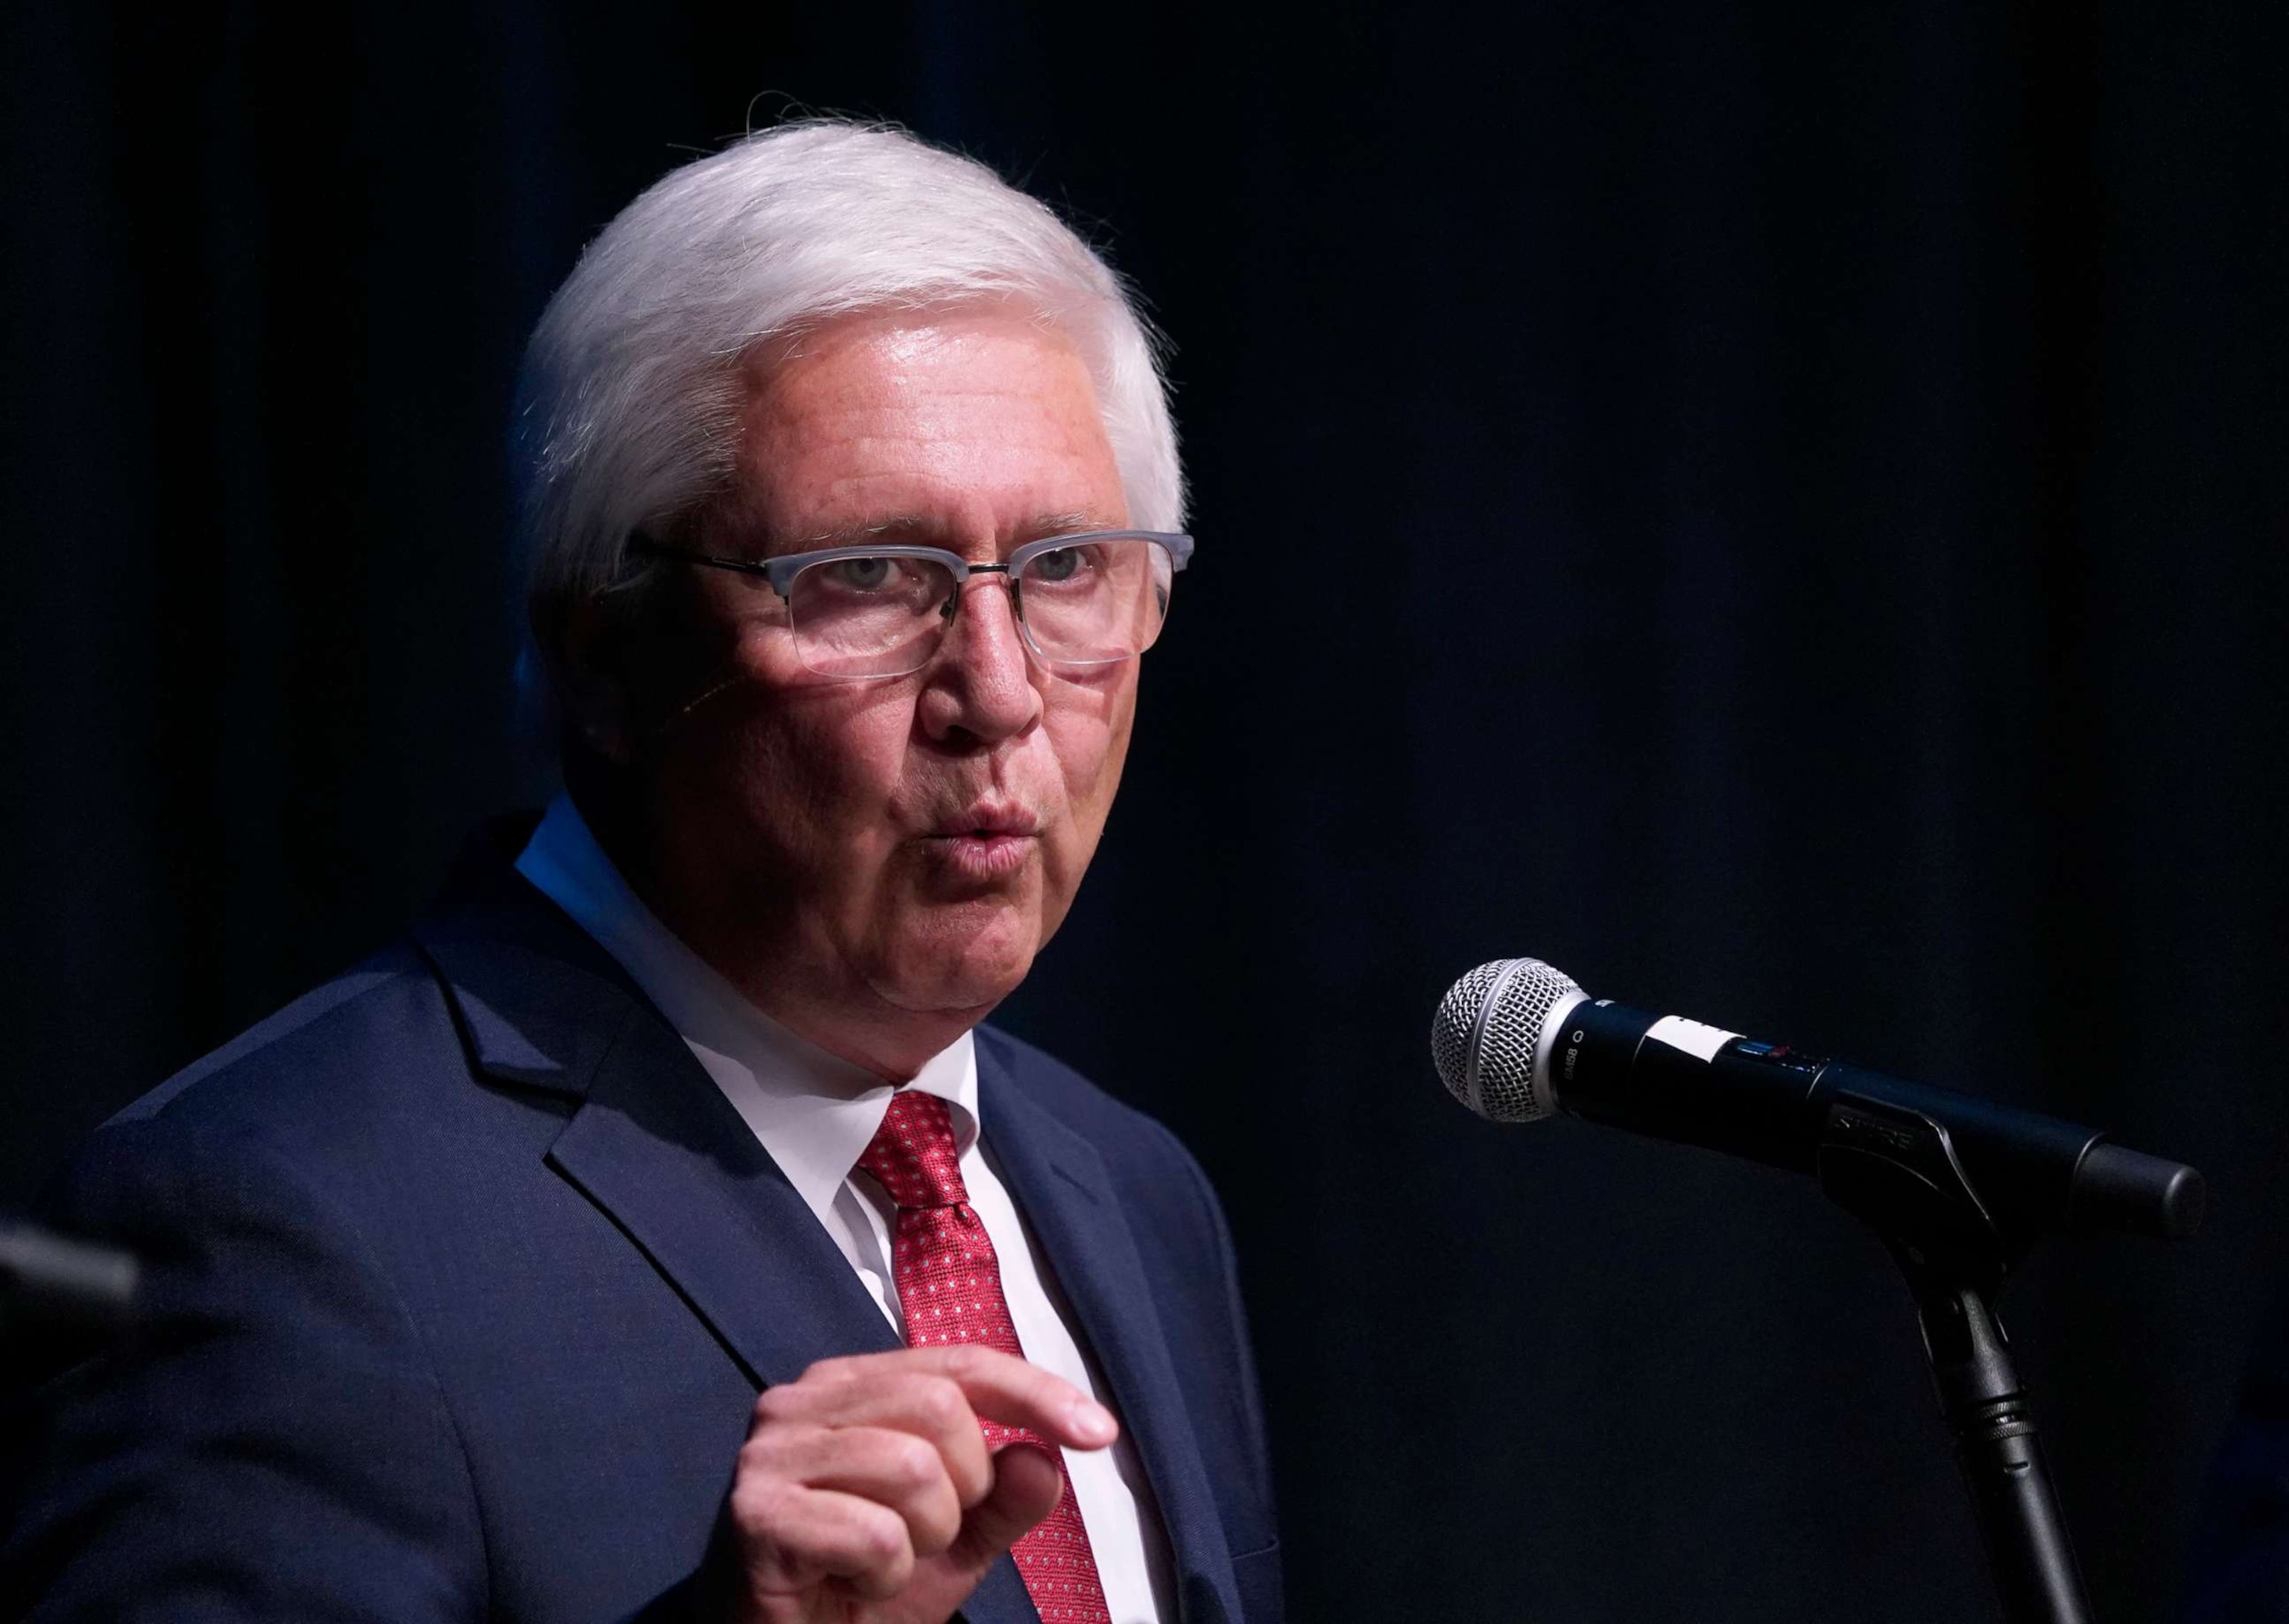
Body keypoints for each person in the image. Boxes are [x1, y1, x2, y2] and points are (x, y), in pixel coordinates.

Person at [1, 121, 1281, 1624]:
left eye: (1065, 566)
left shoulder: (1130, 1187)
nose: (997, 691)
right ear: (605, 647)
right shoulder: (249, 1221)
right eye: (868, 574)